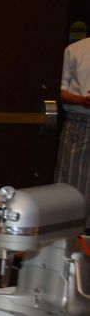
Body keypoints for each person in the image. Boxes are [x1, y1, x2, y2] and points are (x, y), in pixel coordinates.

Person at [56, 36, 90, 232]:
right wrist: (81, 100)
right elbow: (59, 91)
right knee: (71, 190)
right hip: (80, 123)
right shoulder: (76, 49)